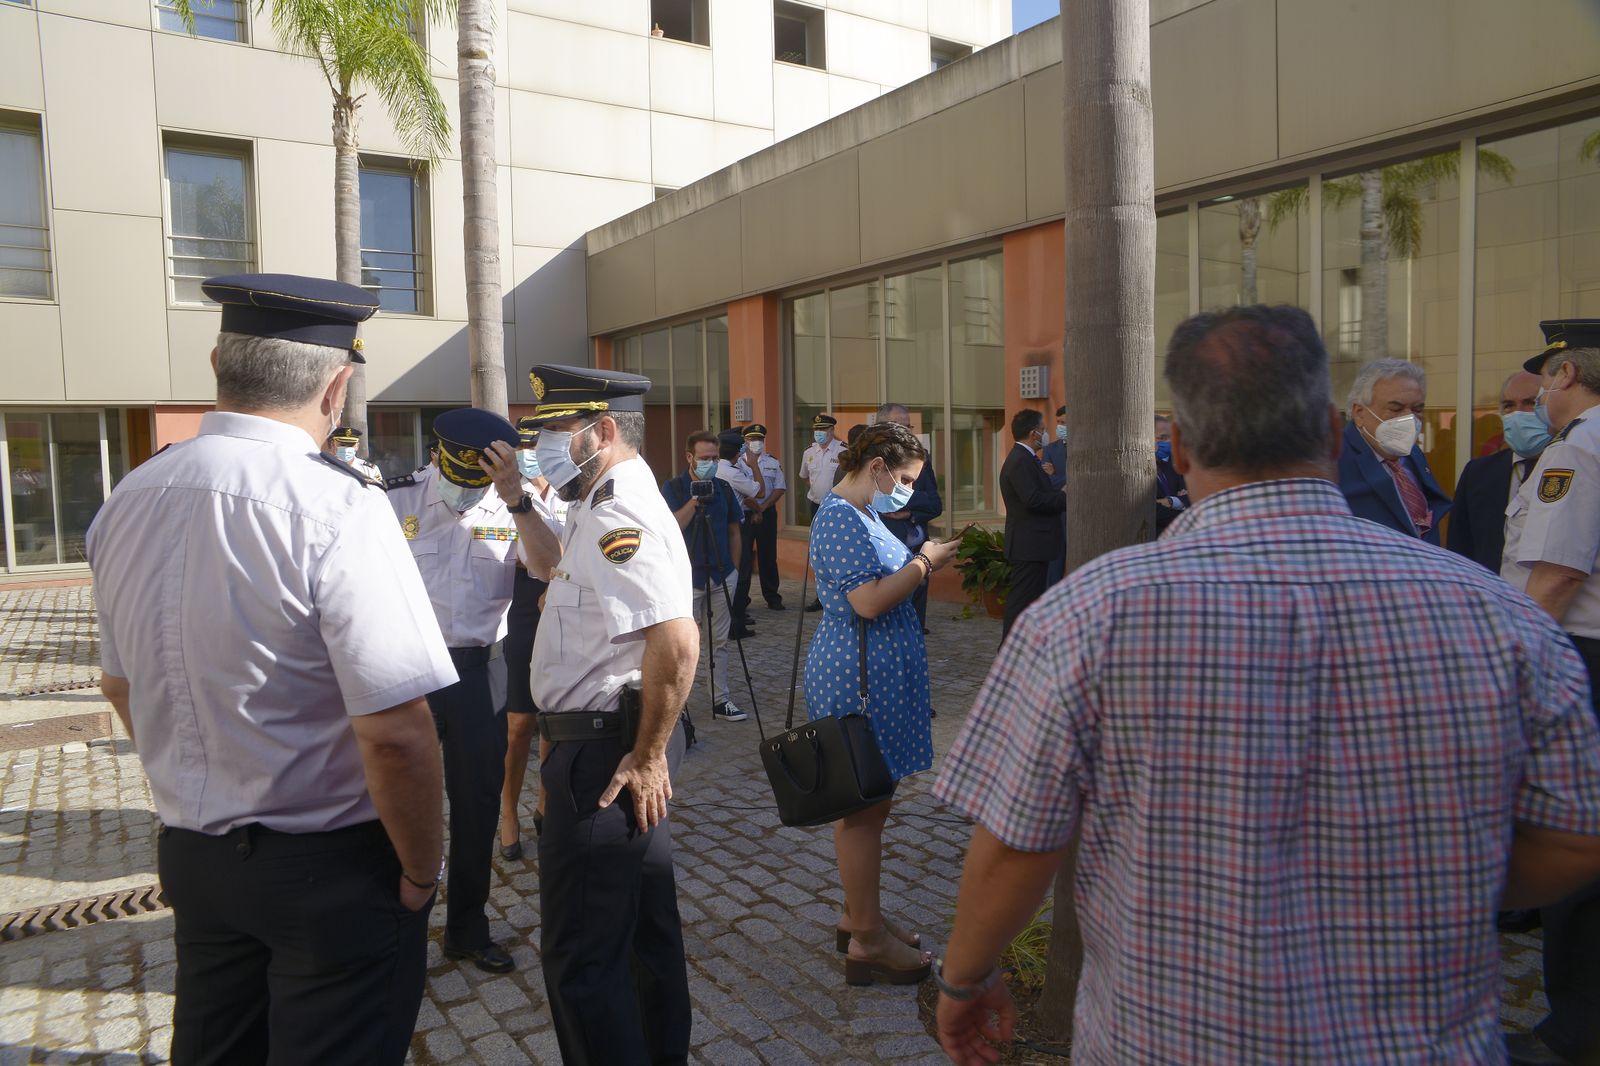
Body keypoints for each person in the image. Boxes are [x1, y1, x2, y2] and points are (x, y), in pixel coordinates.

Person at [930, 305, 1600, 1066]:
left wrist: (964, 979)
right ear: (1334, 432)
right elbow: (1579, 835)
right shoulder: (1498, 611)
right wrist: (1439, 873)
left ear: (1178, 448)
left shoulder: (1087, 614)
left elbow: (1017, 843)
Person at [85, 273, 453, 1065]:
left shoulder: (128, 497)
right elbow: (395, 732)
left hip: (195, 855)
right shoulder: (340, 507)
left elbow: (120, 685)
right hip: (328, 866)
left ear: (219, 359)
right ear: (337, 386)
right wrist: (423, 872)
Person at [518, 363, 700, 1064]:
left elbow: (676, 639)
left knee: (582, 960)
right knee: (642, 936)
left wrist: (649, 755)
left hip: (606, 754)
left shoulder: (618, 507)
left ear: (601, 431)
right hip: (599, 743)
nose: (540, 449)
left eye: (553, 433)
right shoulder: (595, 503)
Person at [806, 422, 962, 986]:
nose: (910, 492)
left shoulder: (865, 514)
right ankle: (867, 941)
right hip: (857, 680)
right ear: (876, 468)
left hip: (874, 676)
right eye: (905, 479)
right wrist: (926, 564)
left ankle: (860, 916)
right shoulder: (840, 515)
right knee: (863, 811)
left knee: (874, 805)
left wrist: (918, 557)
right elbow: (867, 601)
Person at [384, 407, 525, 974]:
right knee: (395, 801)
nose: (468, 486)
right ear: (438, 455)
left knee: (477, 805)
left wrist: (517, 497)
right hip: (407, 669)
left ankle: (467, 928)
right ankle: (394, 932)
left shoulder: (517, 506)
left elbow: (547, 566)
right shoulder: (394, 501)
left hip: (478, 671)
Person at [1500, 318, 1600, 1066]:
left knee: (1574, 833)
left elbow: (1557, 576)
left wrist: (1519, 679)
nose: (1536, 390)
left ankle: (1573, 1034)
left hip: (1577, 655)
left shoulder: (1578, 449)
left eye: (1543, 376)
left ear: (1564, 374)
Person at [497, 418, 569, 862]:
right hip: (524, 597)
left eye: (536, 444)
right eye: (522, 445)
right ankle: (508, 810)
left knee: (554, 713)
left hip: (566, 596)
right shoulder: (501, 492)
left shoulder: (570, 490)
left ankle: (546, 802)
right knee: (520, 719)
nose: (530, 452)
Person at [662, 429, 748, 722]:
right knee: (682, 645)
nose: (709, 463)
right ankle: (678, 707)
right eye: (704, 458)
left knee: (720, 641)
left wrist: (734, 569)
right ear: (689, 457)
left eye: (714, 458)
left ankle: (720, 699)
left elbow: (735, 530)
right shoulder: (673, 488)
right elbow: (671, 528)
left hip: (723, 574)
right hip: (687, 579)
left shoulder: (723, 488)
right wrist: (695, 500)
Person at [1336, 359, 1451, 543]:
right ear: (1359, 413)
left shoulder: (1413, 455)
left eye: (1417, 409)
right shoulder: (1333, 459)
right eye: (1395, 409)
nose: (1409, 418)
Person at [1447, 370, 1547, 574]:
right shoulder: (1478, 473)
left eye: (1530, 402)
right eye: (1509, 405)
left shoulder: (1575, 466)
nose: (1518, 413)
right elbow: (1460, 549)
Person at [875, 403, 944, 631]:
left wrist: (910, 511)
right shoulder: (871, 463)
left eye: (908, 426)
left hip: (917, 551)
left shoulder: (921, 458)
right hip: (885, 556)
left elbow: (935, 504)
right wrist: (916, 497)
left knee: (915, 624)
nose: (906, 432)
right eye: (899, 426)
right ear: (881, 428)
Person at [997, 409, 1065, 637]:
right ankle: (1009, 650)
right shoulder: (1020, 460)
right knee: (1021, 602)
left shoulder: (1027, 459)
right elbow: (1033, 500)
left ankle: (1023, 647)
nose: (1046, 435)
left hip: (1036, 544)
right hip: (1029, 545)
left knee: (1030, 600)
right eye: (1043, 430)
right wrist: (1065, 496)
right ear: (1033, 433)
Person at [733, 423, 787, 616]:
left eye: (759, 439)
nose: (756, 443)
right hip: (745, 514)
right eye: (752, 439)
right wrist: (755, 509)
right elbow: (741, 491)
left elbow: (779, 488)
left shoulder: (772, 461)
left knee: (768, 556)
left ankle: (772, 597)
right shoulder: (737, 463)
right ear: (745, 441)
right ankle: (742, 599)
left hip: (766, 513)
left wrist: (762, 508)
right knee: (743, 557)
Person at [801, 414, 846, 611]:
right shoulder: (809, 452)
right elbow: (805, 477)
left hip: (837, 507)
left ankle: (842, 592)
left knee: (838, 550)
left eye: (823, 430)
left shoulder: (843, 451)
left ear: (832, 431)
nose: (819, 433)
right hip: (816, 505)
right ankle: (822, 595)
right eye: (816, 430)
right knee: (818, 552)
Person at [1041, 406, 1069, 585]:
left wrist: (1055, 475)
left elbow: (1086, 478)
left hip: (1082, 513)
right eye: (1058, 422)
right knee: (1055, 561)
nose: (1060, 426)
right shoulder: (1051, 449)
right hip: (1059, 513)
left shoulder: (1087, 447)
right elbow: (1045, 481)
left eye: (1064, 423)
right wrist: (1063, 480)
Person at [1153, 414, 1188, 534]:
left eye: (1170, 437)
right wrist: (1186, 514)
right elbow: (1152, 511)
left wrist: (1171, 501)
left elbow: (1191, 496)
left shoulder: (1172, 465)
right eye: (1162, 437)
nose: (1168, 442)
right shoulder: (1136, 472)